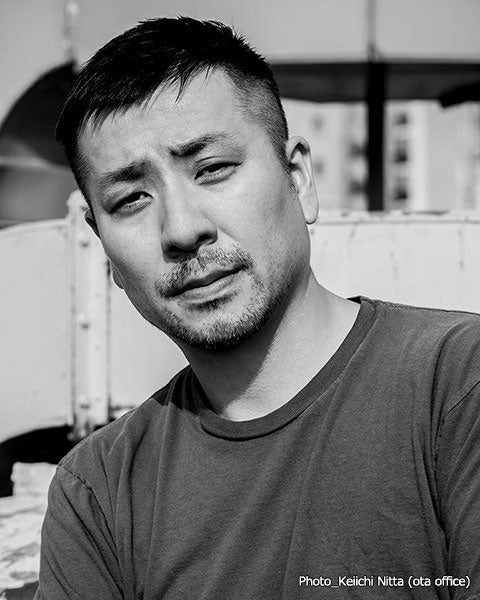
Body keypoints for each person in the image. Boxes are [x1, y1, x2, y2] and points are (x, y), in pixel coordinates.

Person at [35, 17, 480, 600]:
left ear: (299, 180)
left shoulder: (458, 386)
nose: (182, 229)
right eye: (131, 199)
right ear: (105, 249)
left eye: (212, 169)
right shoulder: (97, 493)